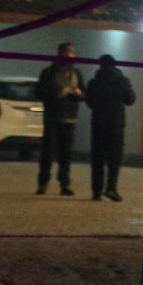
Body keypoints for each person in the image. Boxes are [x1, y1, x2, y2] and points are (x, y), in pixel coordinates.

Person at [85, 52, 136, 201]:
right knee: (114, 159)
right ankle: (111, 188)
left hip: (98, 124)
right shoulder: (122, 80)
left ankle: (96, 191)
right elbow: (131, 99)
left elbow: (89, 102)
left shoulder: (94, 82)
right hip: (116, 124)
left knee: (97, 158)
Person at [36, 42, 85, 195]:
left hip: (69, 118)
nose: (69, 55)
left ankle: (65, 184)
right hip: (52, 117)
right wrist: (57, 93)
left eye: (72, 52)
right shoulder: (48, 73)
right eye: (67, 52)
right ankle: (43, 183)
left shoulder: (77, 73)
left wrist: (77, 93)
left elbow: (84, 94)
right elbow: (39, 93)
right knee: (47, 152)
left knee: (66, 153)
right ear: (59, 54)